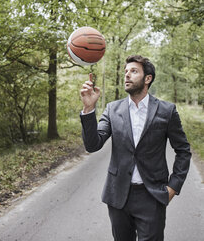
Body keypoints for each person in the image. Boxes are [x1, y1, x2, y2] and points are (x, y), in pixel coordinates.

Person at [80, 55, 191, 241]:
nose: (127, 75)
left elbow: (183, 151)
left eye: (133, 71)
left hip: (152, 196)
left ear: (147, 78)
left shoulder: (167, 111)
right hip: (118, 197)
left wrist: (173, 187)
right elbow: (93, 145)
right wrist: (88, 109)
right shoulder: (112, 109)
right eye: (125, 72)